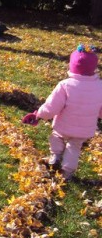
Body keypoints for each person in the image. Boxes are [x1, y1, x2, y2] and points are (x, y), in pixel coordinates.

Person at [22, 45, 102, 181]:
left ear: (72, 66)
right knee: (74, 147)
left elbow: (52, 106)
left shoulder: (65, 85)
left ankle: (56, 156)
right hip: (85, 128)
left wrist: (40, 115)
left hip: (64, 125)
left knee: (56, 136)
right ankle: (67, 171)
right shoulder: (99, 86)